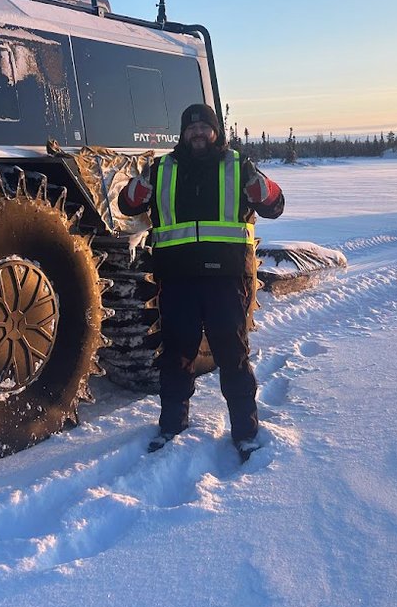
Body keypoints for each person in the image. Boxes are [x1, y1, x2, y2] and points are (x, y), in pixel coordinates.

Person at [118, 103, 285, 462]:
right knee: (176, 354)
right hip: (177, 279)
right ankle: (171, 424)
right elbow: (126, 204)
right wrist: (141, 185)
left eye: (203, 128)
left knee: (232, 354)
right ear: (182, 134)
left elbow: (274, 205)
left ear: (215, 132)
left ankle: (245, 431)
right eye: (190, 128)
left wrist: (260, 186)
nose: (197, 134)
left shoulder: (238, 166)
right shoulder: (161, 169)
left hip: (225, 280)